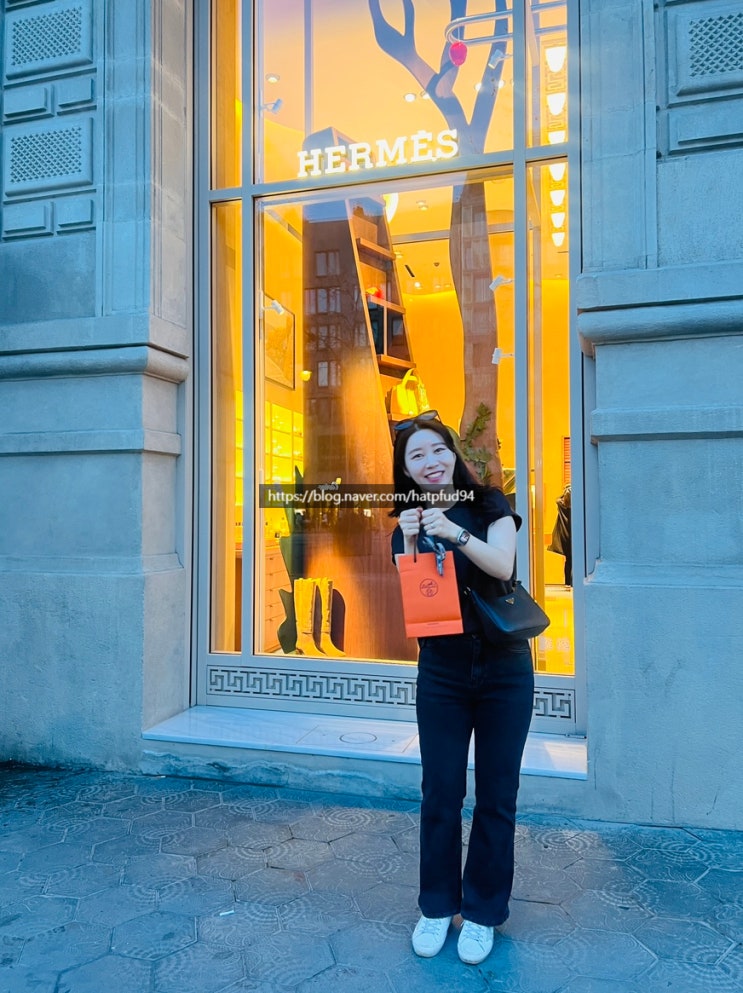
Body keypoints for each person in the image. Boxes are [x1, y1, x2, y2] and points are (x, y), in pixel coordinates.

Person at [390, 410, 534, 966]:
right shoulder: (407, 524)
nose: (430, 461)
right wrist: (410, 543)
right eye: (416, 456)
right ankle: (436, 907)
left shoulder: (492, 505)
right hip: (443, 672)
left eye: (437, 449)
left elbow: (501, 565)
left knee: (497, 795)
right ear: (406, 471)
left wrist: (453, 532)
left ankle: (481, 914)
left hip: (504, 669)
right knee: (440, 793)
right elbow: (421, 604)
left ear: (453, 453)